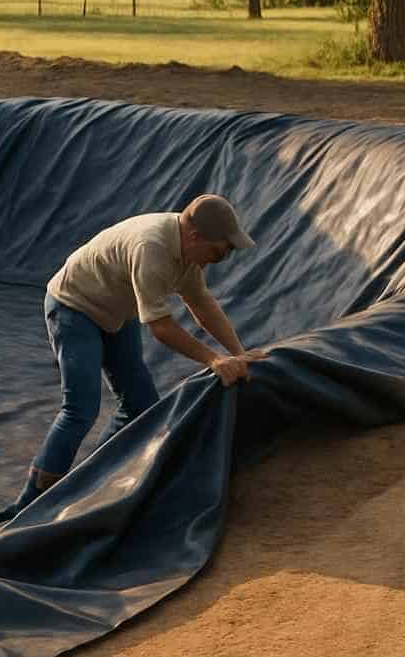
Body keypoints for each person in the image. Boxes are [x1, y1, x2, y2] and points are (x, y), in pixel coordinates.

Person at [14, 193, 264, 509]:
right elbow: (161, 328)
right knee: (81, 408)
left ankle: (89, 483)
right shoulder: (153, 247)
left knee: (141, 407)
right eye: (217, 253)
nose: (219, 260)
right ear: (195, 236)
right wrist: (214, 359)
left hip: (117, 310)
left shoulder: (187, 252)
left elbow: (201, 303)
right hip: (74, 307)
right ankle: (30, 505)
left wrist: (239, 353)